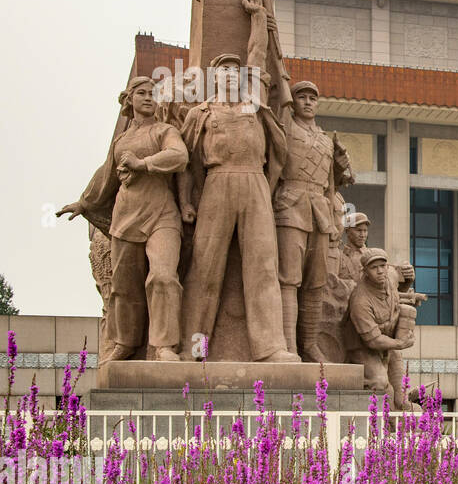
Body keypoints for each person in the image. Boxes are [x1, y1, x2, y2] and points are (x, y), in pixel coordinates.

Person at [178, 49, 298, 362]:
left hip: (254, 181)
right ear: (213, 78)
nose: (230, 75)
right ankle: (195, 348)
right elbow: (185, 162)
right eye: (223, 70)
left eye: (235, 71)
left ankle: (270, 347)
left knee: (263, 266)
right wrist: (184, 201)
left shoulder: (257, 111)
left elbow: (278, 153)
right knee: (205, 268)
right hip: (217, 183)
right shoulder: (201, 114)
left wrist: (266, 190)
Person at [59, 76, 188, 361]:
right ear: (129, 100)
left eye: (153, 93)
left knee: (164, 276)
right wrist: (83, 202)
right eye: (141, 93)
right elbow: (106, 175)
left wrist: (144, 164)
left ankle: (165, 345)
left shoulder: (165, 131)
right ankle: (125, 342)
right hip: (126, 217)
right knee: (124, 286)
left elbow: (179, 156)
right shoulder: (121, 141)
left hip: (162, 215)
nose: (148, 97)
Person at [273, 79, 352, 361]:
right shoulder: (284, 128)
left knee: (316, 282)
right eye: (302, 97)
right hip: (290, 206)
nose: (307, 102)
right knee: (289, 280)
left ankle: (308, 344)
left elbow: (334, 184)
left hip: (319, 210)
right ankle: (288, 346)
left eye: (312, 98)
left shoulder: (325, 139)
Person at [347, 247, 417, 405]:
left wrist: (409, 278)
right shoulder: (360, 300)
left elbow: (400, 283)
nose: (380, 271)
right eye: (374, 267)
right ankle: (385, 417)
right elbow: (373, 340)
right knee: (379, 381)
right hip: (362, 347)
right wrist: (400, 343)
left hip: (386, 340)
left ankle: (401, 402)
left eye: (382, 266)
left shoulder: (390, 276)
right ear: (365, 271)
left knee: (397, 368)